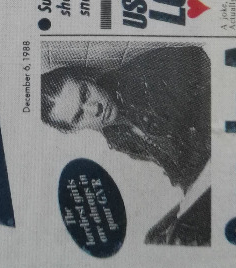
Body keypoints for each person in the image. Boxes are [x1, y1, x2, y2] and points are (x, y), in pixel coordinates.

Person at [41, 45, 210, 195]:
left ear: (88, 79)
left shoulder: (146, 76)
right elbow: (177, 167)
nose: (95, 109)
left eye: (85, 93)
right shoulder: (115, 138)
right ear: (72, 129)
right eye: (79, 116)